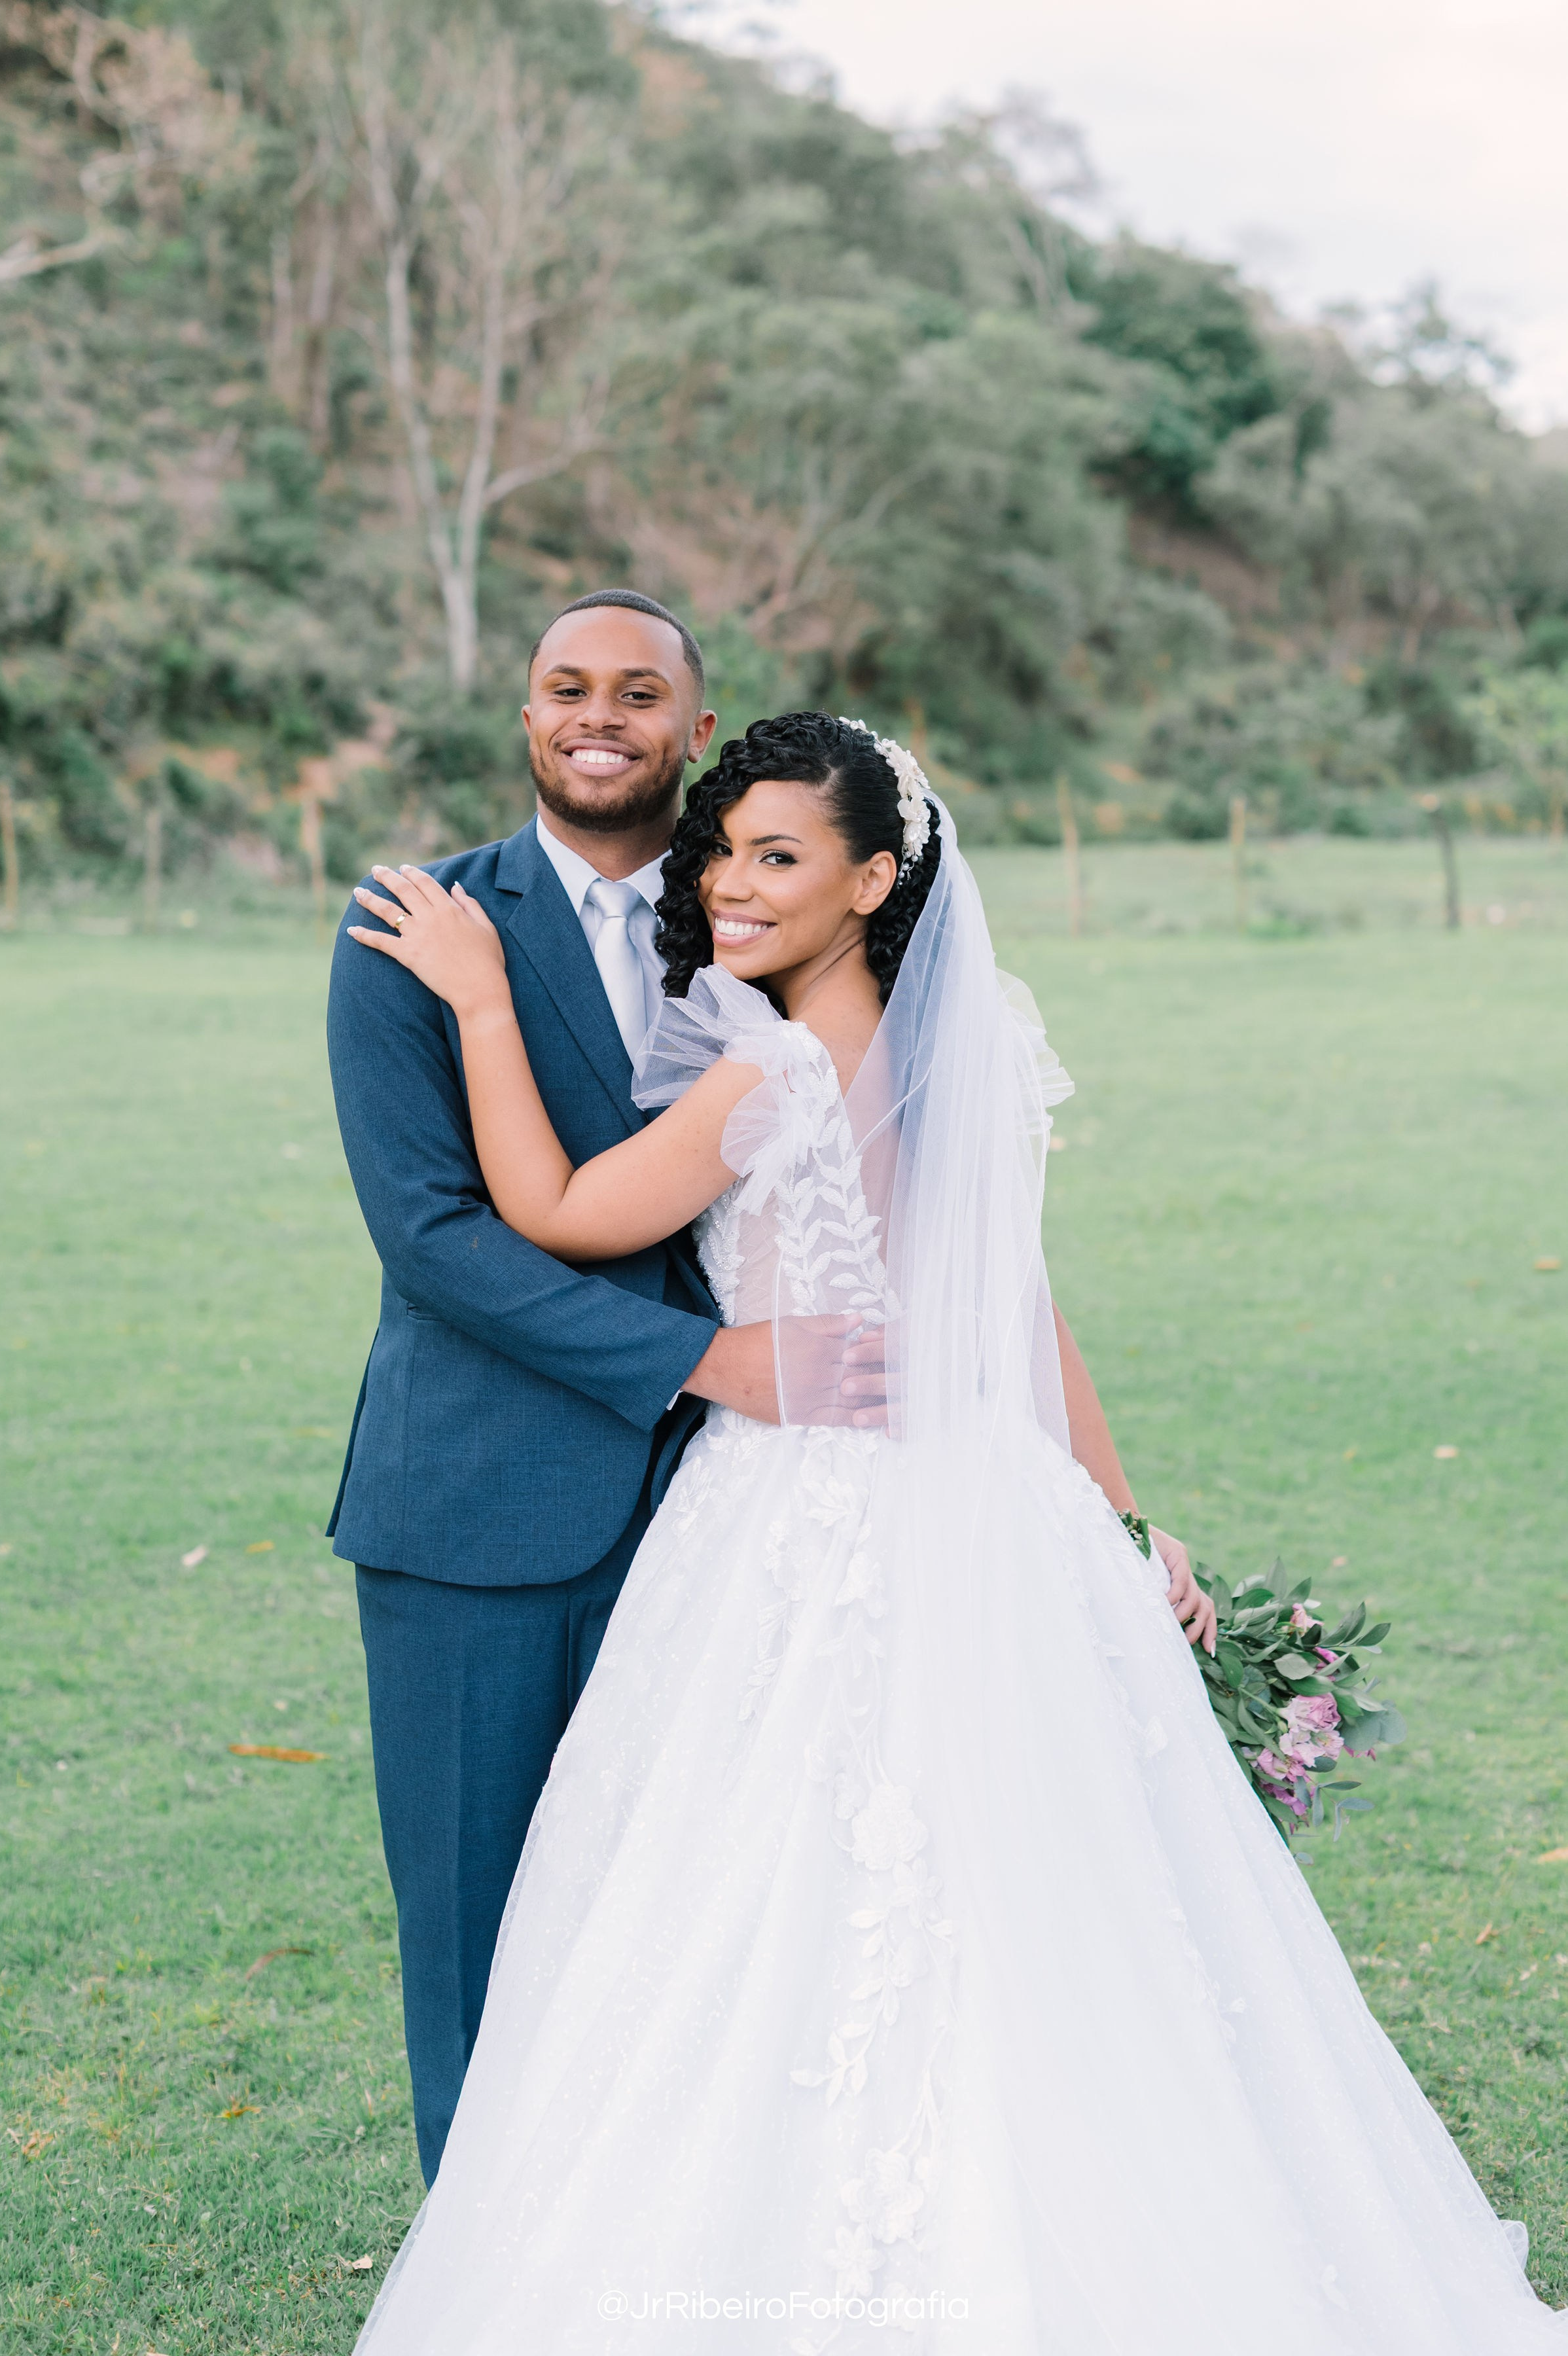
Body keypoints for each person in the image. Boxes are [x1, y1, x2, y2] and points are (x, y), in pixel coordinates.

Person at [340, 706, 1565, 2352]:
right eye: (724, 853)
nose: (731, 886)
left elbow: (552, 1212)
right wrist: (1122, 1520)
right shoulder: (972, 1044)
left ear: (871, 880)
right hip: (993, 1495)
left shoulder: (764, 1075)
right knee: (1029, 1889)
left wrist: (484, 1002)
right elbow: (1026, 1309)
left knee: (773, 1888)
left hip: (800, 1513)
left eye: (778, 859)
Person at [329, 592, 878, 2184]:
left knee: (686, 1942)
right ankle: (481, 2285)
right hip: (475, 1517)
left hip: (721, 1528)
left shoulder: (770, 924)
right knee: (479, 1944)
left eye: (639, 694)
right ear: (523, 716)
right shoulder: (415, 926)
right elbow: (432, 1236)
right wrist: (704, 1360)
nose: (598, 716)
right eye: (565, 688)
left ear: (691, 733)